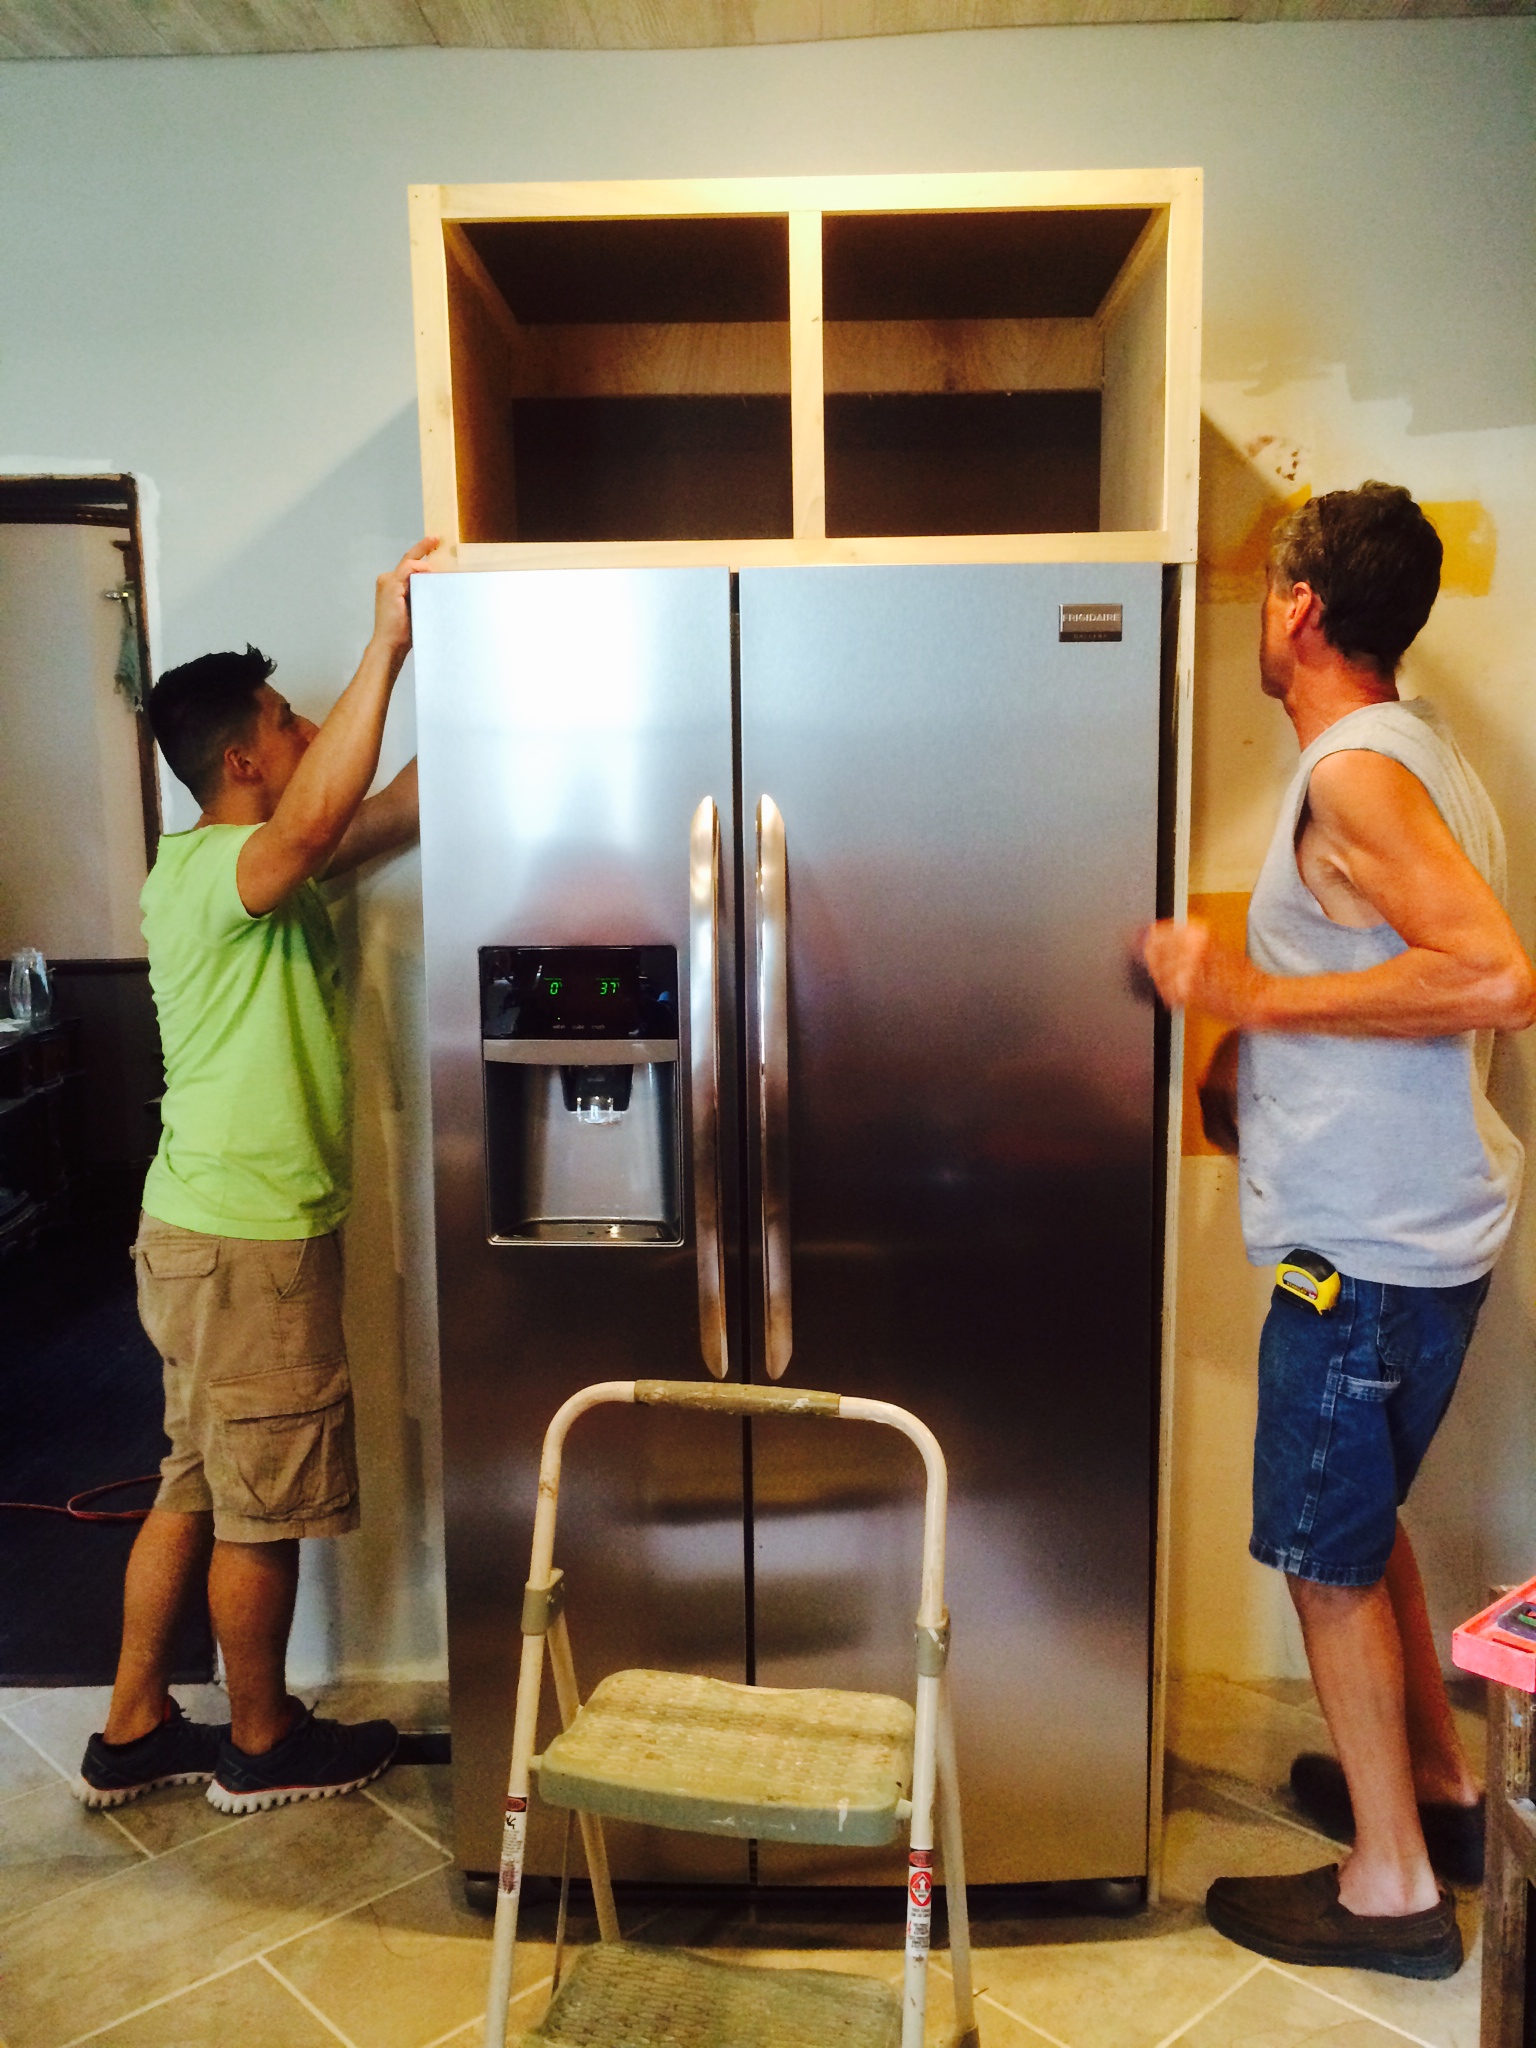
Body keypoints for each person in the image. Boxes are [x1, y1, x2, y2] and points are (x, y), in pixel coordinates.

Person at [1143, 482, 1534, 1979]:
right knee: (1366, 1535)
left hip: (1365, 1254)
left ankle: (1390, 1890)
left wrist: (1246, 997)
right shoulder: (1416, 754)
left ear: (1301, 609)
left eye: (1266, 591)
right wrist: (1251, 1058)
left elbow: (1495, 979)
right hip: (1417, 1236)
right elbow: (1392, 960)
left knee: (1324, 1560)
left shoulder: (1357, 772)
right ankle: (1434, 1794)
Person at [74, 537, 438, 1816]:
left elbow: (389, 804)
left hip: (199, 1233)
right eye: (287, 721)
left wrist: (490, 690)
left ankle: (132, 1727)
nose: (305, 731)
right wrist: (386, 639)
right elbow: (321, 819)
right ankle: (263, 1739)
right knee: (261, 1505)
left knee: (196, 1480)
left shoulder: (247, 874)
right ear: (241, 760)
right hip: (248, 1246)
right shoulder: (226, 872)